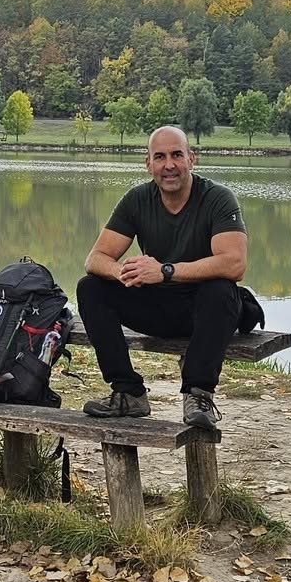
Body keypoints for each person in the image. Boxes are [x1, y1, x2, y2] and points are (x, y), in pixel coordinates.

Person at [77, 124, 247, 431]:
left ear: (191, 159)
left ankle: (198, 394)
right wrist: (124, 273)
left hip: (203, 313)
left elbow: (235, 264)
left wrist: (165, 271)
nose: (169, 165)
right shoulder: (137, 199)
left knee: (221, 289)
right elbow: (95, 259)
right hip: (156, 307)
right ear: (148, 164)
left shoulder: (218, 198)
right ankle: (128, 392)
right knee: (91, 287)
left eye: (177, 155)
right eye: (160, 157)